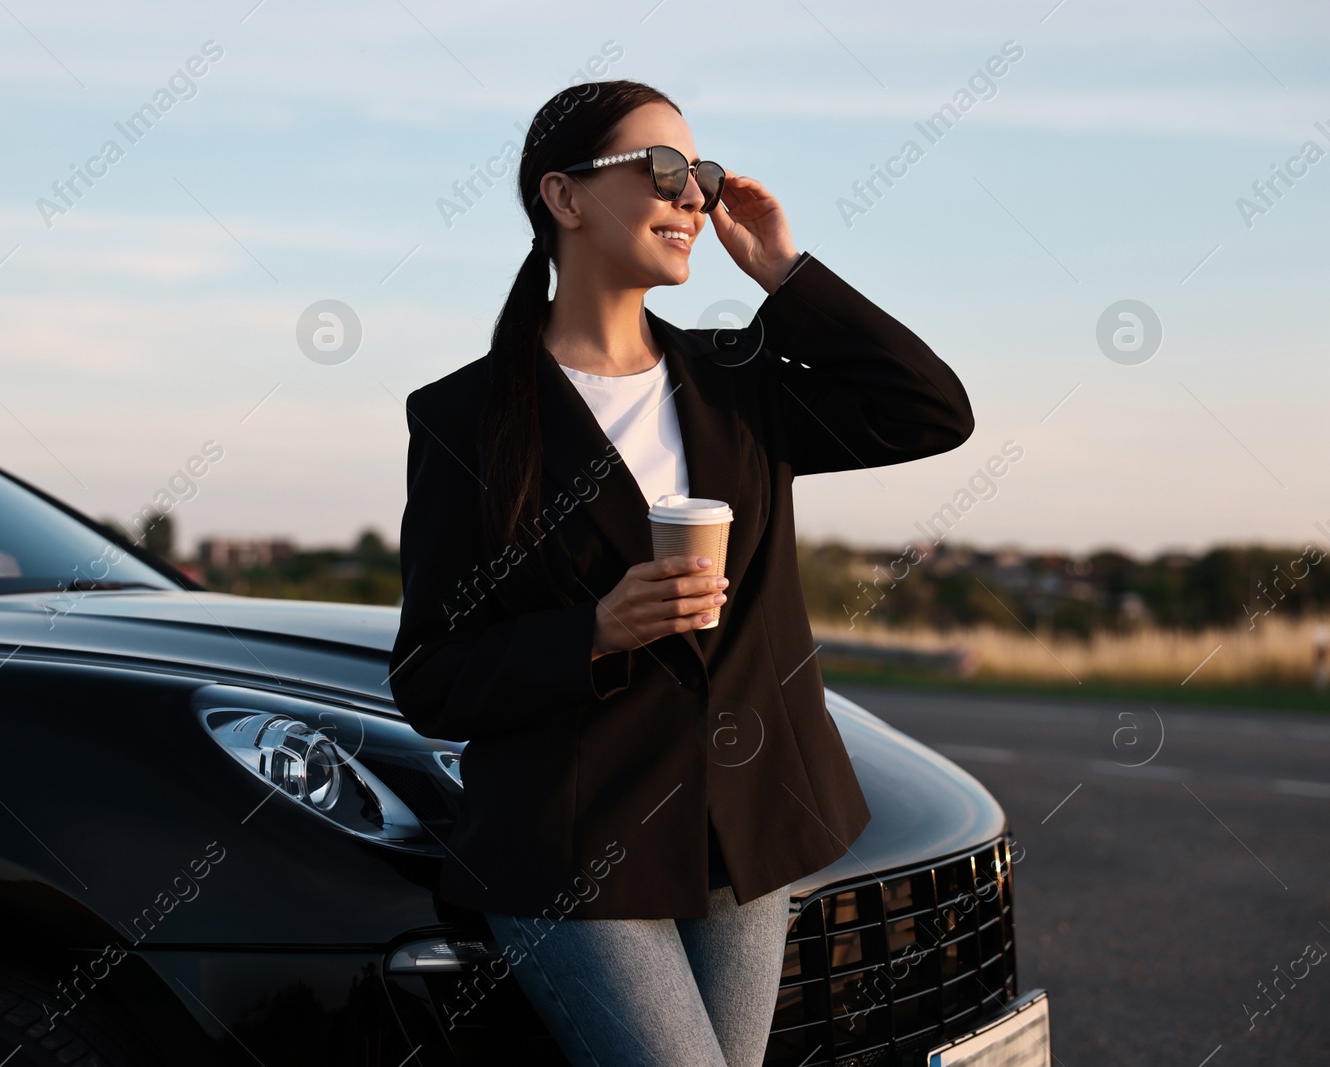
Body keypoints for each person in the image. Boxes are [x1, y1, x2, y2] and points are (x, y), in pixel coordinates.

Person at [388, 79, 975, 1067]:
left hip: (743, 831)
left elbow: (928, 410)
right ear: (563, 198)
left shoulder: (735, 379)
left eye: (699, 172)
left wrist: (783, 273)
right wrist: (596, 631)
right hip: (571, 849)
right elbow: (431, 676)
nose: (693, 194)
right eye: (662, 170)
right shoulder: (464, 417)